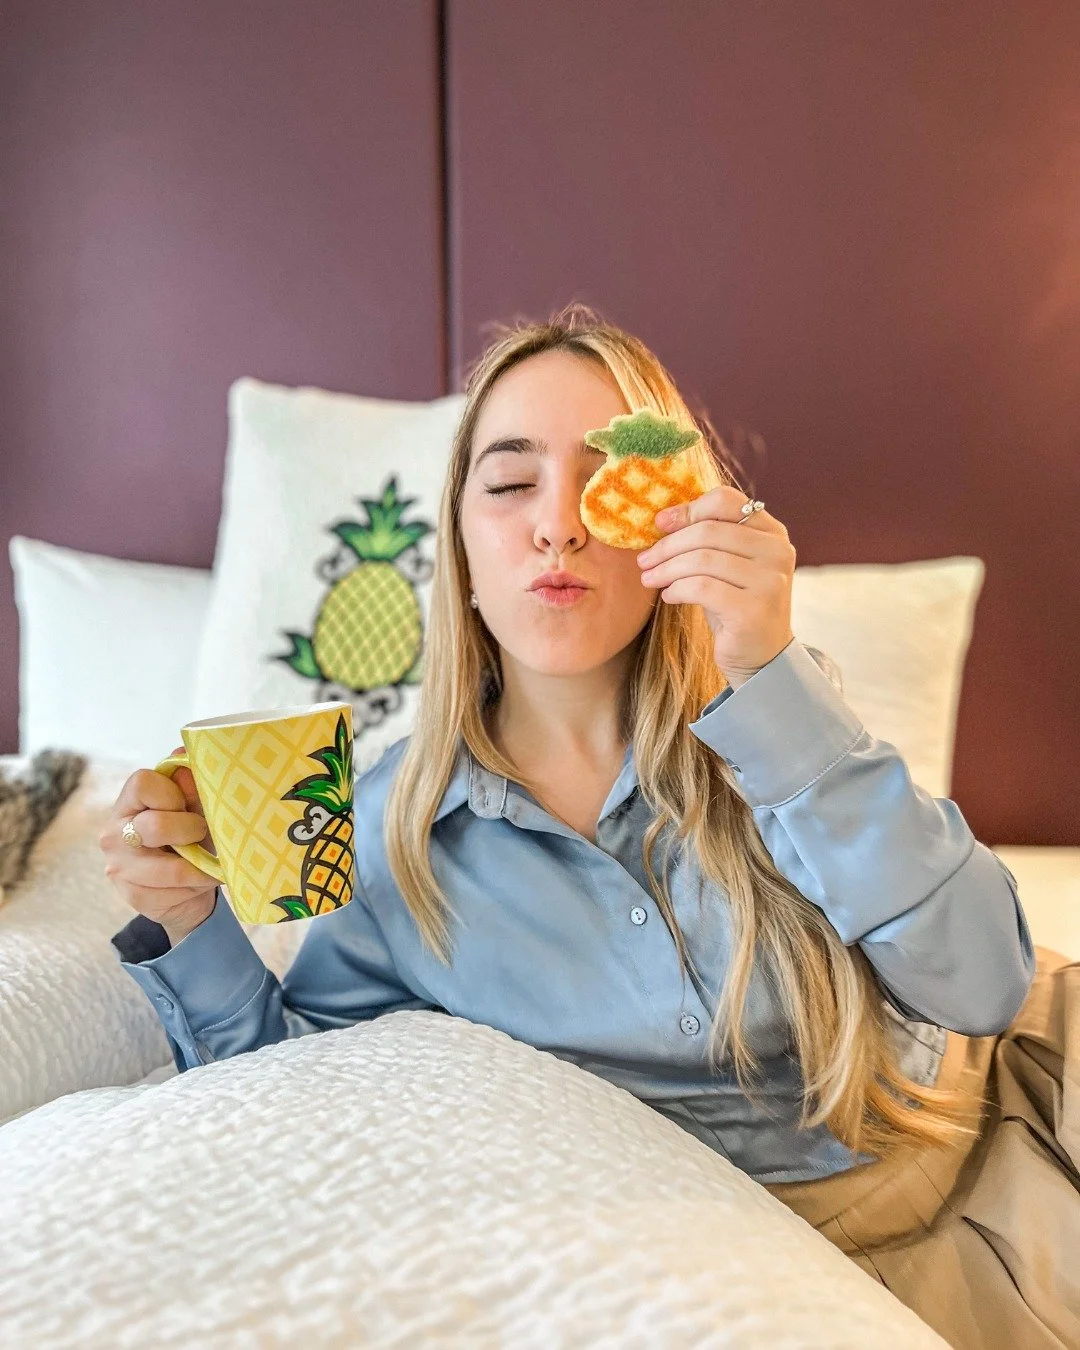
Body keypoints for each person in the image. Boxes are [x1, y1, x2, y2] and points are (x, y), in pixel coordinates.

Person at [101, 304, 1077, 1348]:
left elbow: (983, 987)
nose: (558, 525)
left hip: (1002, 1124)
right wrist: (191, 920)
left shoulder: (783, 722)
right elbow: (302, 1093)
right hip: (750, 1269)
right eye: (510, 484)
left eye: (606, 480)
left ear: (672, 518)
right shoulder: (394, 829)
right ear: (461, 548)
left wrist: (770, 672)